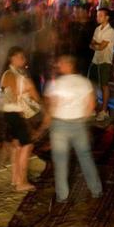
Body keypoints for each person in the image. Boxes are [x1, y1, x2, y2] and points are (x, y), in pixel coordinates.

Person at [45, 55, 102, 202]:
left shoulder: (56, 84)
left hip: (59, 125)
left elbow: (52, 106)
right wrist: (82, 120)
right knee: (85, 157)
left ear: (66, 65)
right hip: (78, 124)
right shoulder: (84, 83)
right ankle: (96, 190)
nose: (58, 66)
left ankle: (62, 196)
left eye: (60, 64)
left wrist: (46, 124)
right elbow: (91, 105)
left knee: (61, 161)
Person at [0, 47, 42, 192]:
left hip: (8, 114)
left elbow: (4, 97)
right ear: (13, 58)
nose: (24, 60)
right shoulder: (16, 75)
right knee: (27, 145)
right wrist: (27, 88)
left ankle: (15, 179)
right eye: (22, 57)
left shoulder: (7, 73)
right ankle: (21, 182)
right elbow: (21, 94)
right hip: (16, 114)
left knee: (17, 146)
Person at [88, 8, 114, 122]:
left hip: (105, 60)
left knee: (104, 85)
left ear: (107, 17)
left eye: (100, 15)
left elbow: (101, 46)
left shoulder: (110, 31)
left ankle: (104, 111)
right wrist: (96, 45)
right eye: (97, 15)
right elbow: (93, 43)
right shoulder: (97, 29)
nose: (97, 17)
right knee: (92, 84)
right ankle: (93, 108)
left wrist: (95, 45)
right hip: (96, 60)